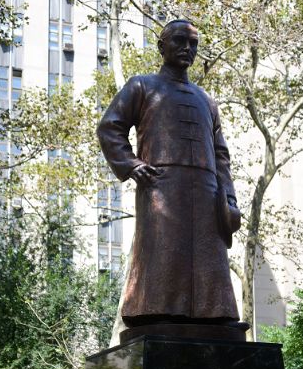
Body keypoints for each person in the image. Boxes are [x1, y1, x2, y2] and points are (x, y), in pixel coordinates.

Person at [96, 19, 241, 328]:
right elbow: (110, 127)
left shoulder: (207, 101)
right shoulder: (142, 85)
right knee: (162, 254)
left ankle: (214, 314)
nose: (187, 48)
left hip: (207, 191)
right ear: (162, 47)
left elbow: (220, 154)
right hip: (162, 186)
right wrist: (132, 164)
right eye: (179, 41)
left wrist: (228, 197)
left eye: (192, 44)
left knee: (209, 260)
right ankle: (154, 311)